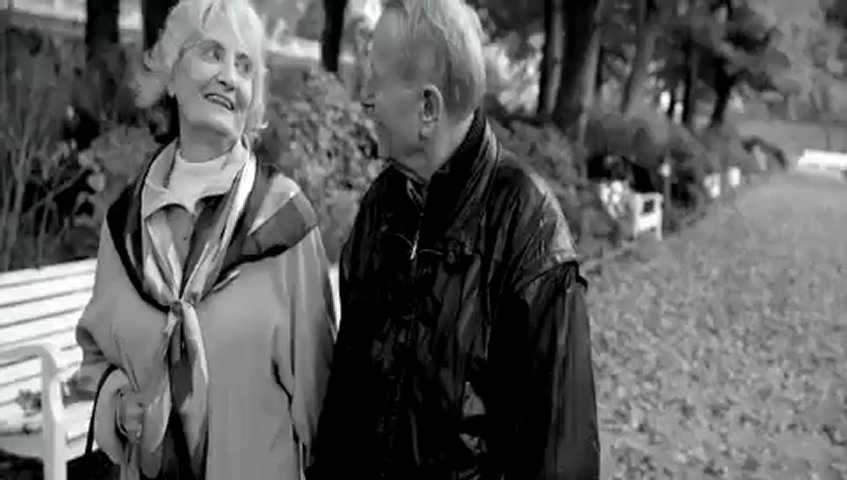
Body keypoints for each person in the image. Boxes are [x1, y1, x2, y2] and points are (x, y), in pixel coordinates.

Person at [307, 0, 600, 479]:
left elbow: (560, 458)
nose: (364, 98)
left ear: (428, 107)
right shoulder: (381, 205)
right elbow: (345, 401)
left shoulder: (530, 233)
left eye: (375, 81)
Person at [72, 0, 336, 478]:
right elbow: (98, 361)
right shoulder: (126, 225)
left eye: (245, 66)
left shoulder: (286, 223)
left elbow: (323, 404)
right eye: (212, 53)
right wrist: (120, 405)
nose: (229, 77)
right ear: (171, 75)